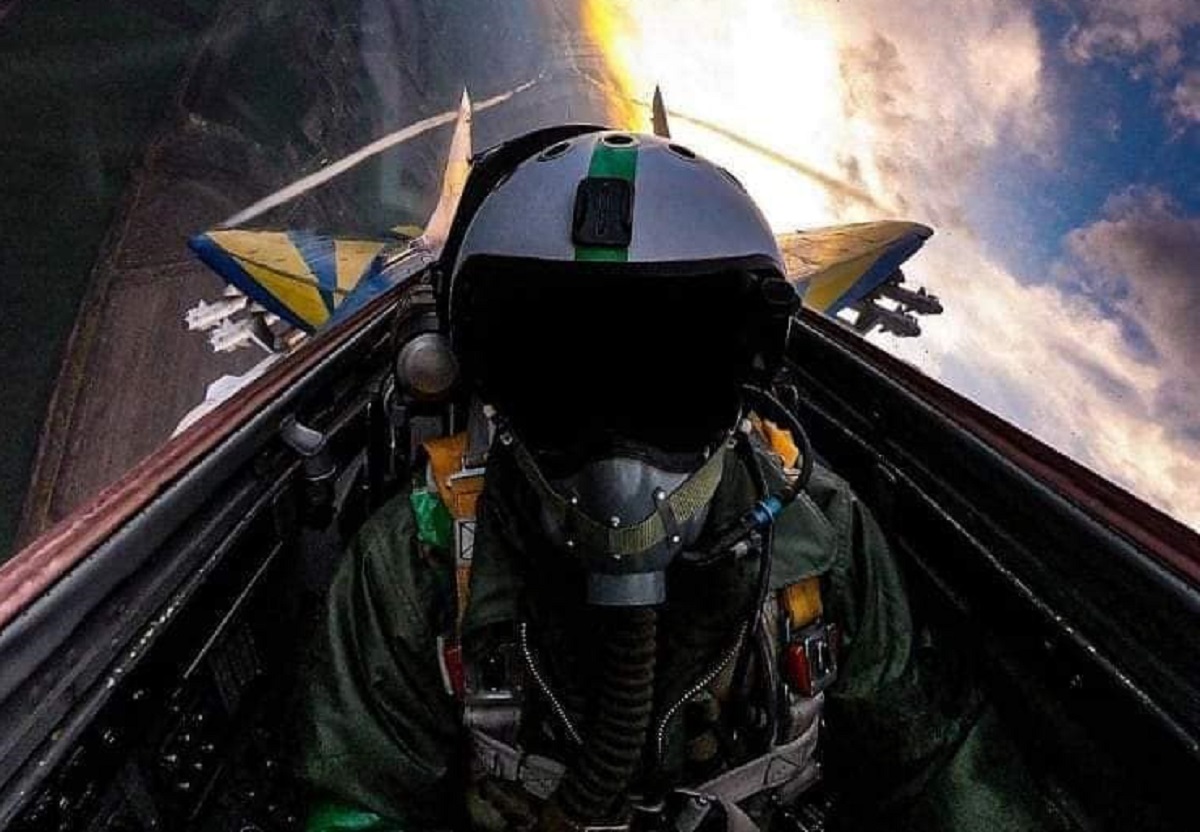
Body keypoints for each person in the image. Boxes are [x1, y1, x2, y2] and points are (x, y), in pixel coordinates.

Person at [295, 129, 1065, 831]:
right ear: (492, 383)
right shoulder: (420, 556)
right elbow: (357, 801)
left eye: (671, 379)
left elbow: (939, 768)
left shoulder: (823, 533)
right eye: (560, 379)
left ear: (745, 387)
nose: (617, 453)